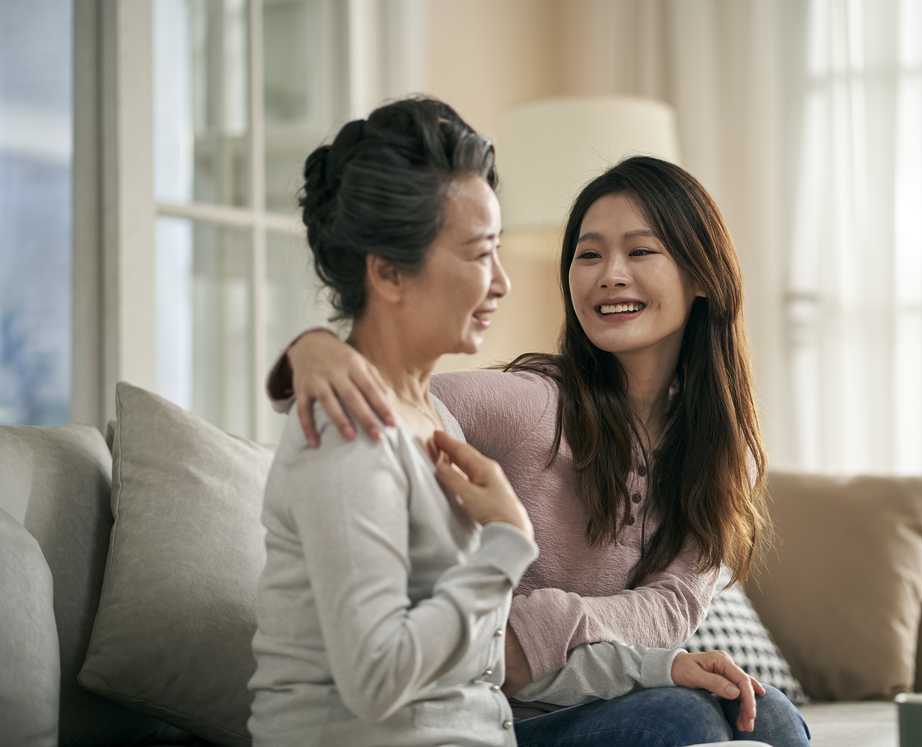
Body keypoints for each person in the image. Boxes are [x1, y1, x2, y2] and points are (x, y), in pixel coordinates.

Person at [249, 97, 782, 747]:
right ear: (387, 271)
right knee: (686, 718)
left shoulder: (718, 449)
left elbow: (657, 611)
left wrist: (653, 664)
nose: (502, 283)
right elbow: (367, 395)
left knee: (765, 713)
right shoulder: (487, 414)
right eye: (588, 254)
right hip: (503, 712)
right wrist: (313, 350)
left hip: (517, 699)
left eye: (641, 250)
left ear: (703, 275)